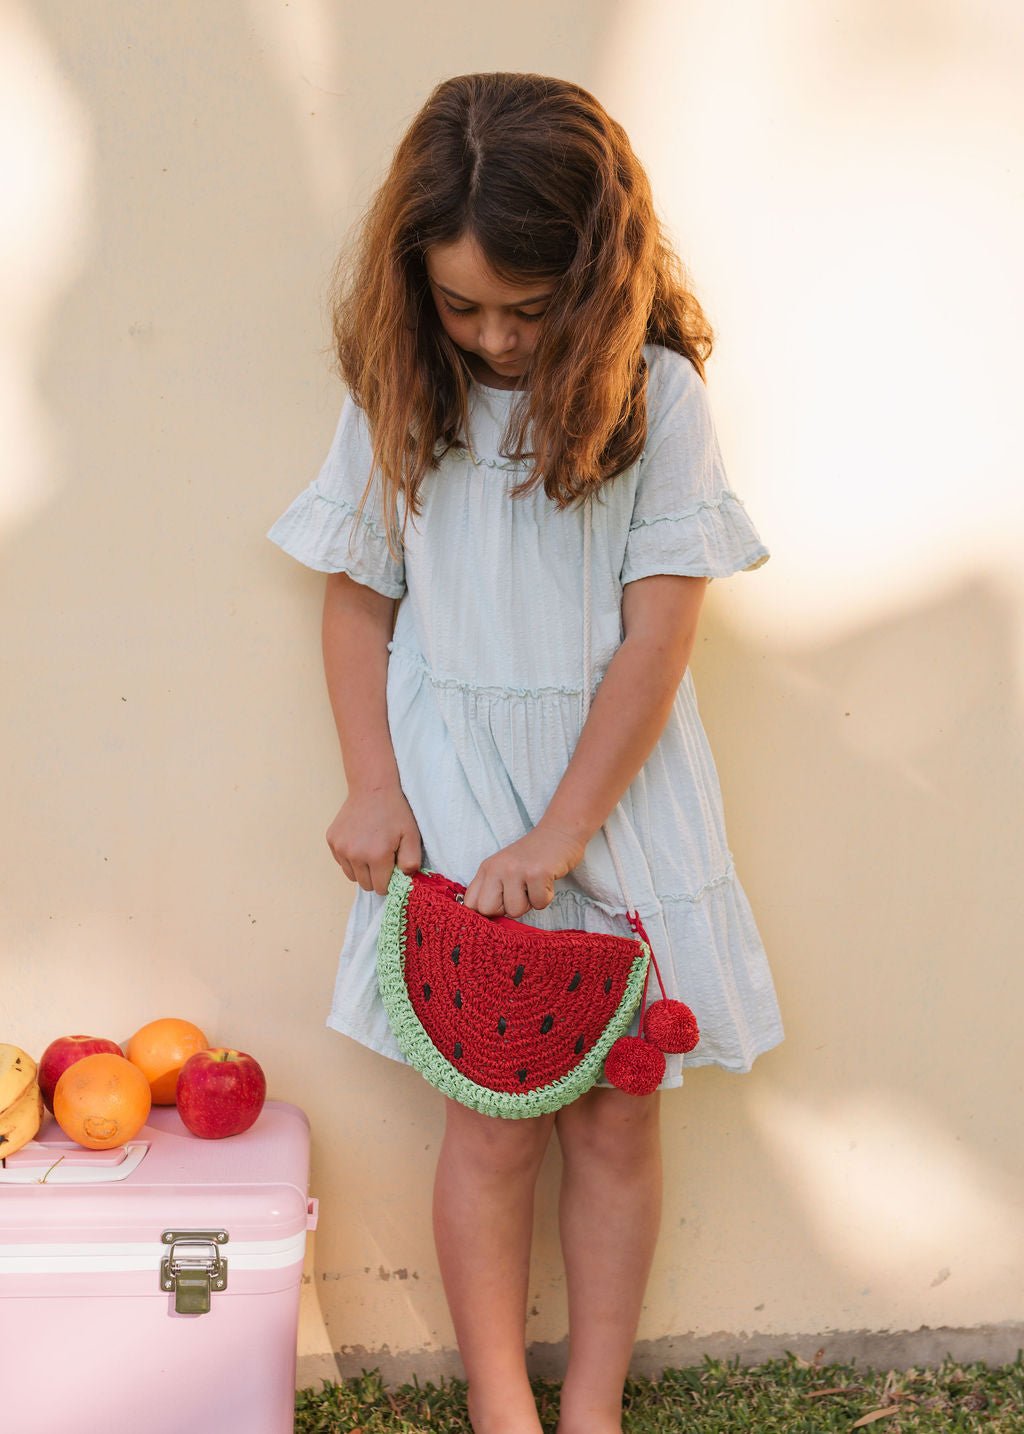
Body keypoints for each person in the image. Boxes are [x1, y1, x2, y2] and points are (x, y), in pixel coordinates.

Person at [269, 71, 783, 1434]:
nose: (492, 336)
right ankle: (503, 1400)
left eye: (526, 308)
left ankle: (596, 1400)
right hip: (454, 791)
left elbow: (656, 644)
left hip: (612, 791)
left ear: (597, 276)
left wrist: (561, 833)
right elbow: (356, 592)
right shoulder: (400, 384)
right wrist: (372, 780)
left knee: (617, 1113)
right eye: (460, 304)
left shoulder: (658, 402)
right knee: (492, 1111)